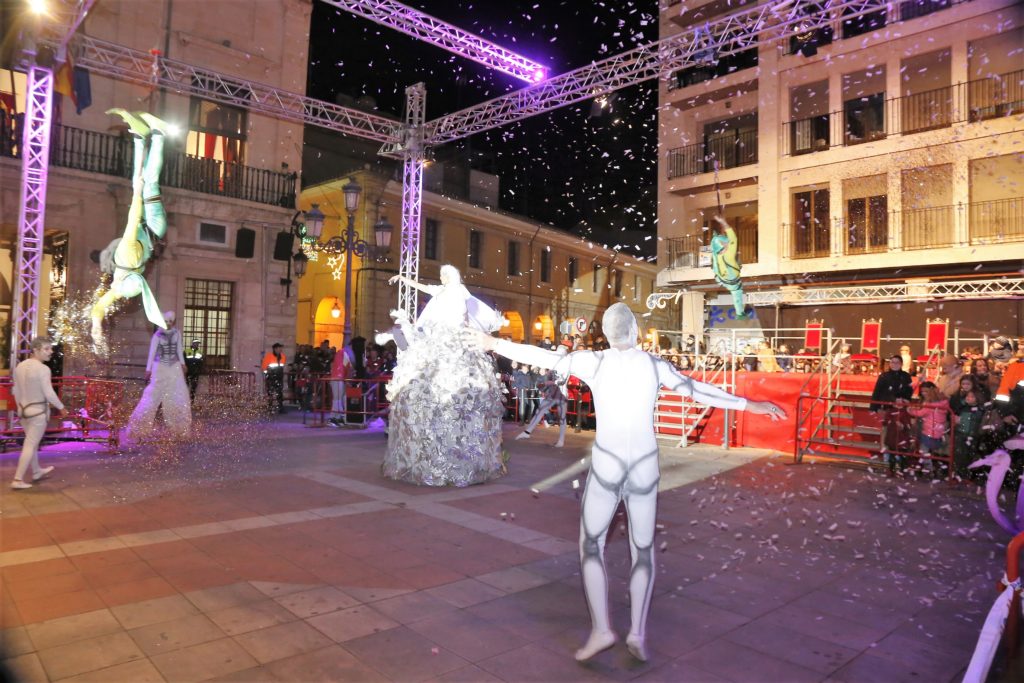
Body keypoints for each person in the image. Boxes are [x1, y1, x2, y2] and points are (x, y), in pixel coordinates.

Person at [469, 302, 785, 663]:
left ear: (606, 333)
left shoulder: (594, 362)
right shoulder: (653, 365)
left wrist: (493, 344)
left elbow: (541, 357)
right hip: (644, 465)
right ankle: (636, 630)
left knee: (591, 544)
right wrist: (749, 404)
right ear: (635, 331)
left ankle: (602, 628)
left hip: (608, 463)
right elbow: (696, 390)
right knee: (643, 548)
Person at [383, 265, 505, 487]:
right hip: (440, 341)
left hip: (456, 342)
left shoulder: (460, 292)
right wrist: (403, 278)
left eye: (444, 275)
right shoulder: (441, 291)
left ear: (452, 276)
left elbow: (466, 312)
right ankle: (425, 459)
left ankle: (463, 461)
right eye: (441, 276)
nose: (441, 278)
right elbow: (423, 286)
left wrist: (464, 329)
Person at [91, 110, 173, 347]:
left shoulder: (120, 286)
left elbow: (99, 307)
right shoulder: (126, 257)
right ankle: (159, 134)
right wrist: (136, 193)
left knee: (139, 179)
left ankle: (139, 136)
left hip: (145, 229)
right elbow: (133, 217)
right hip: (153, 224)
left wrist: (96, 326)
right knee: (147, 184)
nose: (112, 286)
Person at [127, 311, 192, 439]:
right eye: (166, 321)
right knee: (151, 397)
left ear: (173, 322)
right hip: (160, 368)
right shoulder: (157, 335)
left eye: (170, 322)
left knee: (178, 397)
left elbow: (179, 349)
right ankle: (138, 429)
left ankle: (179, 430)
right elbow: (152, 353)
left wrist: (183, 364)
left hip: (175, 368)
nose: (168, 324)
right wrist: (148, 369)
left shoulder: (177, 333)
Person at [11, 337, 64, 490]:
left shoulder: (20, 366)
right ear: (35, 350)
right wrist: (61, 407)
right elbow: (48, 392)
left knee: (31, 443)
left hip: (23, 411)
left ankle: (36, 471)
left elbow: (16, 391)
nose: (51, 352)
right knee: (30, 444)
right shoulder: (43, 369)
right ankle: (17, 479)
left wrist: (20, 408)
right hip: (38, 413)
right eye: (46, 349)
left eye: (50, 348)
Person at [516, 348, 570, 447]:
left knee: (561, 417)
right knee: (540, 411)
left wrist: (547, 382)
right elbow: (550, 378)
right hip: (553, 393)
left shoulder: (566, 366)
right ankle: (527, 432)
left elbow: (561, 381)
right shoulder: (554, 366)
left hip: (561, 394)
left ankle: (561, 441)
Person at [870, 355, 915, 466]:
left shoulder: (906, 376)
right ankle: (887, 456)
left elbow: (909, 391)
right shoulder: (884, 376)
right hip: (887, 407)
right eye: (892, 362)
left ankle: (900, 457)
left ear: (901, 364)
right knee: (886, 432)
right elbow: (877, 392)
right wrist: (873, 407)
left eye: (897, 362)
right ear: (889, 364)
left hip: (901, 409)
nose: (894, 364)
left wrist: (904, 399)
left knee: (901, 432)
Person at [908, 381, 950, 474]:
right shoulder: (944, 402)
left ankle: (928, 468)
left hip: (928, 430)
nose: (924, 394)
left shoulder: (929, 405)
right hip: (938, 431)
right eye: (922, 391)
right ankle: (934, 468)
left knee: (924, 450)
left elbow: (919, 413)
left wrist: (910, 410)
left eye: (926, 392)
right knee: (932, 451)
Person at [710, 215, 746, 318]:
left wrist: (721, 225)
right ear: (722, 245)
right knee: (736, 294)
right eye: (726, 243)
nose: (728, 244)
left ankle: (740, 313)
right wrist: (723, 223)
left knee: (736, 295)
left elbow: (718, 241)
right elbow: (733, 238)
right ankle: (740, 313)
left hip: (723, 280)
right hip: (731, 280)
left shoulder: (716, 255)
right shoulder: (728, 254)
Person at [261, 343, 287, 413]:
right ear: (275, 349)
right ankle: (269, 408)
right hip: (271, 377)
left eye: (281, 348)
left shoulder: (283, 356)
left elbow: (282, 366)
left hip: (279, 377)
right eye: (279, 348)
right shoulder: (269, 356)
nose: (280, 350)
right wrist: (267, 375)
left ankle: (280, 408)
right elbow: (264, 366)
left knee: (279, 393)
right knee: (270, 393)